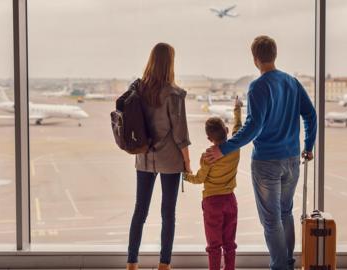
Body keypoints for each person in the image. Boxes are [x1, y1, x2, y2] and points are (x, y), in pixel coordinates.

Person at [204, 35, 317, 270]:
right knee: (285, 213)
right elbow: (311, 115)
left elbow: (253, 128)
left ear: (255, 59)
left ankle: (280, 266)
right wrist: (309, 145)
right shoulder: (292, 83)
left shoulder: (258, 86)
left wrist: (224, 148)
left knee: (271, 219)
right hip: (292, 160)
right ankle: (286, 263)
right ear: (274, 55)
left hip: (267, 162)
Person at [126, 43, 191, 270]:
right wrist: (187, 161)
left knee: (139, 211)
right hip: (170, 159)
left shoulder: (138, 90)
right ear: (170, 62)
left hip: (143, 157)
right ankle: (164, 265)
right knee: (168, 214)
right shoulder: (174, 94)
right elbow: (180, 133)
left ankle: (131, 263)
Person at [183, 97, 243, 270]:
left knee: (214, 245)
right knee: (229, 243)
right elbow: (238, 128)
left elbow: (200, 178)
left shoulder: (208, 156)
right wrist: (237, 109)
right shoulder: (235, 147)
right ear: (226, 129)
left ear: (209, 138)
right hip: (230, 201)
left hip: (212, 203)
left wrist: (186, 176)